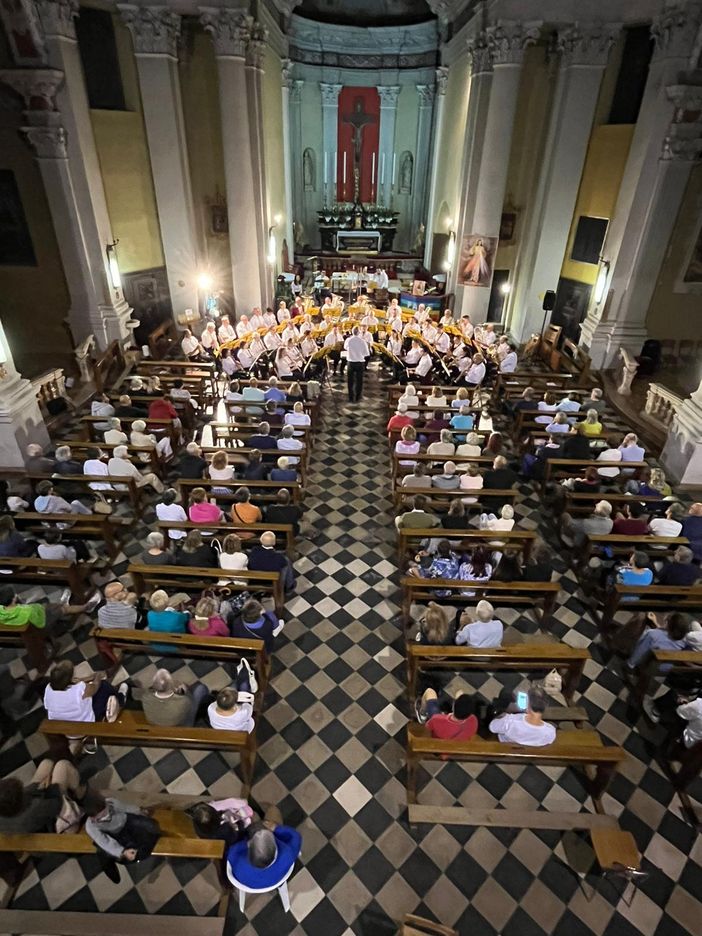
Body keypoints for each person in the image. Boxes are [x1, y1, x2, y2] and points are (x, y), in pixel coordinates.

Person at [83, 791, 161, 883]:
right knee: (104, 851)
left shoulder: (111, 803)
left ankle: (138, 853)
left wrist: (139, 811)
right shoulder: (90, 827)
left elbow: (126, 808)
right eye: (103, 817)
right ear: (92, 818)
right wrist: (122, 851)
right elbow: (105, 842)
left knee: (152, 827)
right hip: (111, 835)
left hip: (125, 822)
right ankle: (110, 867)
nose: (108, 816)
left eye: (108, 811)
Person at [226, 807, 302, 895]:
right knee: (273, 810)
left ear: (248, 845)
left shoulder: (237, 861)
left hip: (248, 883)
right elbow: (295, 836)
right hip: (276, 878)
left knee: (254, 817)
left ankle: (256, 817)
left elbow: (233, 850)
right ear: (275, 844)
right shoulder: (288, 854)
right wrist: (276, 828)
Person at [0, 762, 85, 834]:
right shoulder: (37, 807)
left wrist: (37, 786)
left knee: (46, 763)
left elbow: (28, 792)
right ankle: (80, 793)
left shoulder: (5, 812)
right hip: (60, 826)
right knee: (62, 766)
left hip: (36, 819)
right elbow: (56, 801)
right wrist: (48, 786)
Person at [44, 660, 128, 726]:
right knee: (103, 686)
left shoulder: (49, 688)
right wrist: (98, 676)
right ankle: (121, 699)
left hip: (62, 726)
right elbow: (95, 686)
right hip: (84, 725)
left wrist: (89, 678)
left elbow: (75, 683)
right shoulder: (78, 690)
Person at [142, 667, 211, 727]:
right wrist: (186, 692)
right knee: (201, 688)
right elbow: (190, 702)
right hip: (181, 725)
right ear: (170, 686)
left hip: (156, 725)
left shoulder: (145, 698)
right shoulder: (183, 701)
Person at [489, 688, 556, 746]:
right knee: (508, 696)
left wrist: (504, 714)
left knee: (505, 694)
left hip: (506, 750)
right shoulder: (550, 731)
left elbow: (492, 727)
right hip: (531, 754)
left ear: (527, 704)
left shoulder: (509, 721)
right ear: (546, 706)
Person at [627, 612, 692, 670]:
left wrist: (630, 664)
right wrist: (655, 621)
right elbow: (664, 637)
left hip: (649, 666)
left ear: (669, 625)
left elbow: (640, 652)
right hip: (665, 668)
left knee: (641, 618)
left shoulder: (652, 635)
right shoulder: (683, 641)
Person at [208, 660, 256, 732]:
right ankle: (243, 674)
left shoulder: (210, 708)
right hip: (242, 731)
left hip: (222, 730)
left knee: (235, 685)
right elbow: (249, 707)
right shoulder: (242, 713)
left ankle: (239, 676)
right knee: (244, 686)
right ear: (234, 704)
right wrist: (241, 700)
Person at [344, 326, 370, 403]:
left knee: (350, 381)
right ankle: (358, 397)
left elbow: (345, 348)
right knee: (359, 380)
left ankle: (351, 397)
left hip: (351, 362)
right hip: (359, 362)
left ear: (352, 332)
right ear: (359, 332)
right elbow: (366, 353)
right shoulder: (362, 341)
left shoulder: (348, 340)